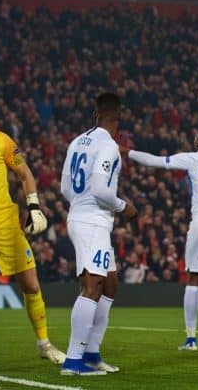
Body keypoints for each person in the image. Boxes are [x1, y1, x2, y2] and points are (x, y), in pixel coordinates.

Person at [125, 78, 198, 354]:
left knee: (195, 278)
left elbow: (155, 161)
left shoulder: (192, 158)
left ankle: (190, 338)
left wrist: (127, 152)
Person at [60, 92, 137, 375]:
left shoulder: (76, 142)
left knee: (110, 284)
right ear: (117, 118)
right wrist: (123, 206)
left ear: (96, 115)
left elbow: (65, 189)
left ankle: (91, 353)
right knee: (92, 286)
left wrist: (82, 205)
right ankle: (73, 360)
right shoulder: (109, 146)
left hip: (82, 217)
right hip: (92, 222)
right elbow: (102, 190)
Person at [0, 127, 66, 364]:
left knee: (31, 285)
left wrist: (33, 207)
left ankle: (44, 344)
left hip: (5, 223)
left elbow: (25, 173)